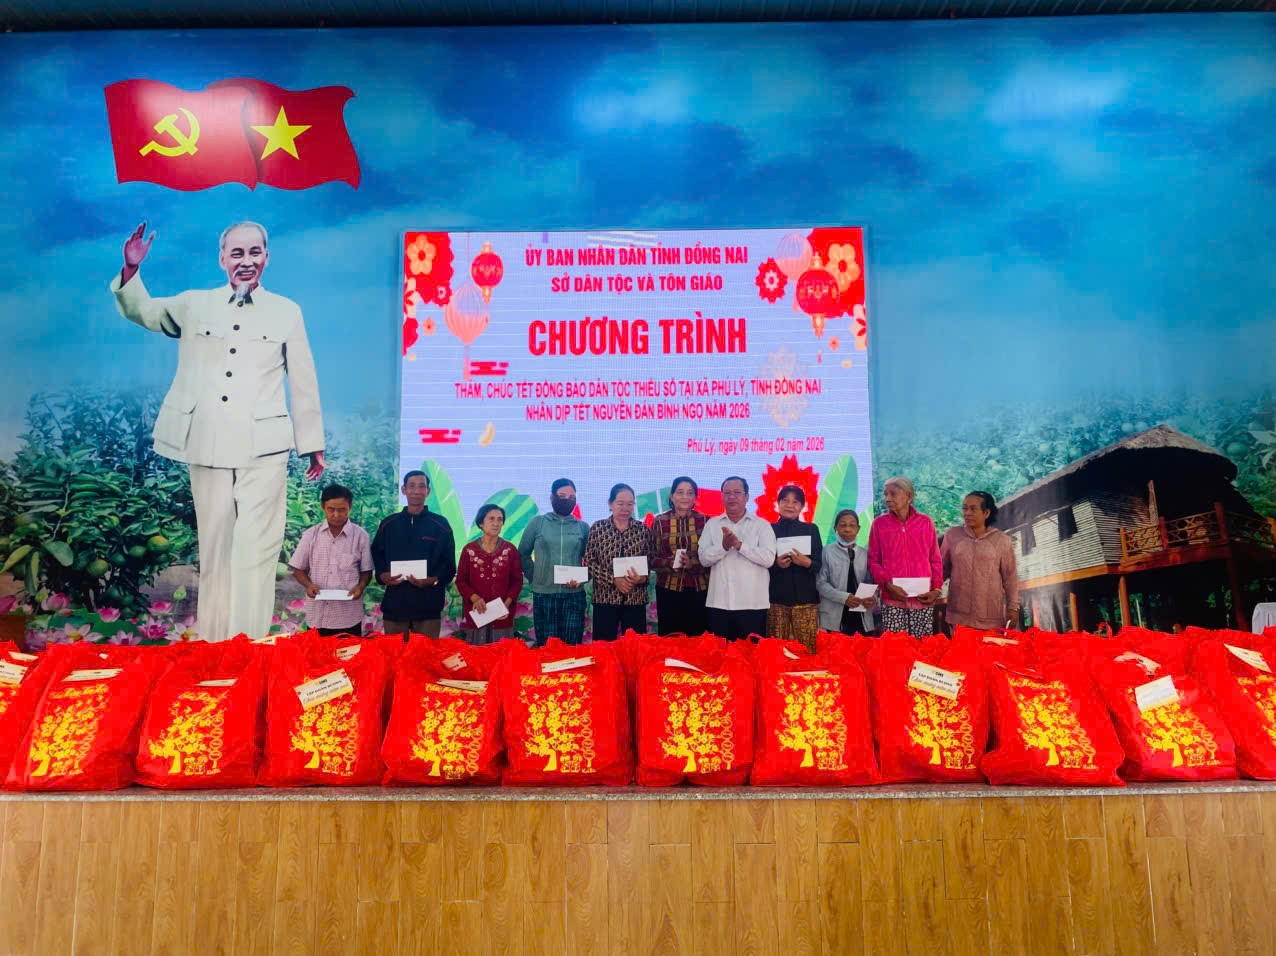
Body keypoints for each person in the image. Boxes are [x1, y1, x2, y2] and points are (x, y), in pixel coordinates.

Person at [110, 220, 325, 641]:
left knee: (257, 550)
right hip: (206, 443)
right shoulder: (195, 304)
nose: (246, 261)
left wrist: (312, 443)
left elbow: (303, 379)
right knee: (215, 549)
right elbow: (144, 311)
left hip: (264, 448)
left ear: (266, 258)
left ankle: (249, 645)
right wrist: (131, 269)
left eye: (255, 252)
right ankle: (214, 645)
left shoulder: (287, 311)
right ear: (222, 258)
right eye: (237, 253)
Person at [371, 470, 456, 638]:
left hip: (428, 606)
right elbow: (377, 554)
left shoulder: (440, 525)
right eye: (412, 486)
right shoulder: (389, 524)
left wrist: (433, 580)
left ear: (428, 491)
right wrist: (382, 575)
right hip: (395, 605)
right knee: (394, 653)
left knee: (426, 653)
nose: (417, 491)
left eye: (421, 486)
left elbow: (449, 564)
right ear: (404, 490)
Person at [288, 485, 373, 637]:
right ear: (323, 507)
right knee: (316, 652)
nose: (336, 515)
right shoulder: (311, 535)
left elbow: (366, 571)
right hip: (317, 616)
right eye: (331, 509)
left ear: (350, 507)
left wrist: (360, 586)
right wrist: (308, 585)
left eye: (342, 510)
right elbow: (298, 569)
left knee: (348, 652)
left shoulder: (361, 536)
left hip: (348, 616)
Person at [698, 476, 777, 641]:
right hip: (719, 604)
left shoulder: (762, 525)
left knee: (751, 654)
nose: (732, 497)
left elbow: (768, 559)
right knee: (720, 654)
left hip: (753, 604)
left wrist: (739, 545)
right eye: (727, 493)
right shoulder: (712, 524)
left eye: (737, 492)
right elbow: (704, 559)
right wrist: (724, 547)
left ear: (747, 496)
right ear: (722, 497)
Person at [868, 476, 943, 638]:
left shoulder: (925, 523)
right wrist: (887, 585)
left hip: (922, 598)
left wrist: (936, 589)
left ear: (909, 496)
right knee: (896, 646)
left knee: (922, 645)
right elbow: (873, 560)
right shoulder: (879, 524)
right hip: (892, 598)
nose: (887, 499)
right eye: (885, 494)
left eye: (893, 494)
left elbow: (935, 559)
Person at [518, 478, 590, 645]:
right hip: (544, 595)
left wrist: (582, 579)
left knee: (573, 648)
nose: (567, 500)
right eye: (562, 496)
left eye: (572, 497)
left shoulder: (582, 527)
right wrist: (535, 576)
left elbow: (592, 560)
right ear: (552, 498)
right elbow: (522, 554)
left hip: (574, 597)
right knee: (547, 648)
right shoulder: (538, 523)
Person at [941, 491, 1020, 631]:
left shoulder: (1001, 540)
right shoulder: (952, 535)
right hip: (959, 616)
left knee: (989, 646)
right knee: (962, 646)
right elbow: (941, 570)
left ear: (986, 513)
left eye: (973, 509)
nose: (967, 513)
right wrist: (930, 590)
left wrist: (1013, 607)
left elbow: (1010, 577)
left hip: (990, 616)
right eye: (965, 508)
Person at [584, 483, 654, 641]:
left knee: (635, 648)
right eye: (620, 503)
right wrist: (613, 580)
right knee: (603, 648)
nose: (625, 508)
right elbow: (589, 561)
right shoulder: (598, 528)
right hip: (605, 599)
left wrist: (641, 578)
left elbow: (650, 562)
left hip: (635, 599)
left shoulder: (642, 530)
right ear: (610, 504)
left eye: (630, 504)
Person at [455, 503, 524, 645]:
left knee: (501, 653)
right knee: (477, 653)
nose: (496, 523)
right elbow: (461, 581)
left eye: (500, 519)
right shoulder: (469, 550)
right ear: (481, 523)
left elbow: (517, 581)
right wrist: (475, 598)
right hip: (477, 613)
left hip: (502, 615)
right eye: (491, 519)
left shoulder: (510, 550)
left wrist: (506, 604)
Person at [649, 476, 710, 635]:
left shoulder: (706, 521)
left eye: (690, 493)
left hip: (699, 590)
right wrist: (668, 563)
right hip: (668, 590)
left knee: (697, 640)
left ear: (695, 497)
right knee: (670, 640)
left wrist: (693, 563)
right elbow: (650, 559)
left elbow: (713, 557)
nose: (685, 497)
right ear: (672, 496)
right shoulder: (660, 521)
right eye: (680, 492)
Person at [767, 485, 824, 651]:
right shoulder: (769, 529)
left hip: (806, 601)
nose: (790, 505)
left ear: (802, 506)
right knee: (777, 652)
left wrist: (807, 563)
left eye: (795, 502)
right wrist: (776, 564)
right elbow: (761, 563)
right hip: (776, 601)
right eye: (785, 500)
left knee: (808, 651)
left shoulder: (811, 529)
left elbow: (819, 565)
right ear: (778, 503)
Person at [817, 509, 877, 636]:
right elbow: (820, 583)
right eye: (843, 525)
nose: (847, 529)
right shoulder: (826, 552)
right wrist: (844, 598)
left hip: (861, 614)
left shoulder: (865, 554)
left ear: (858, 529)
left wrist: (873, 598)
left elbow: (871, 582)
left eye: (852, 525)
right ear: (835, 528)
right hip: (834, 616)